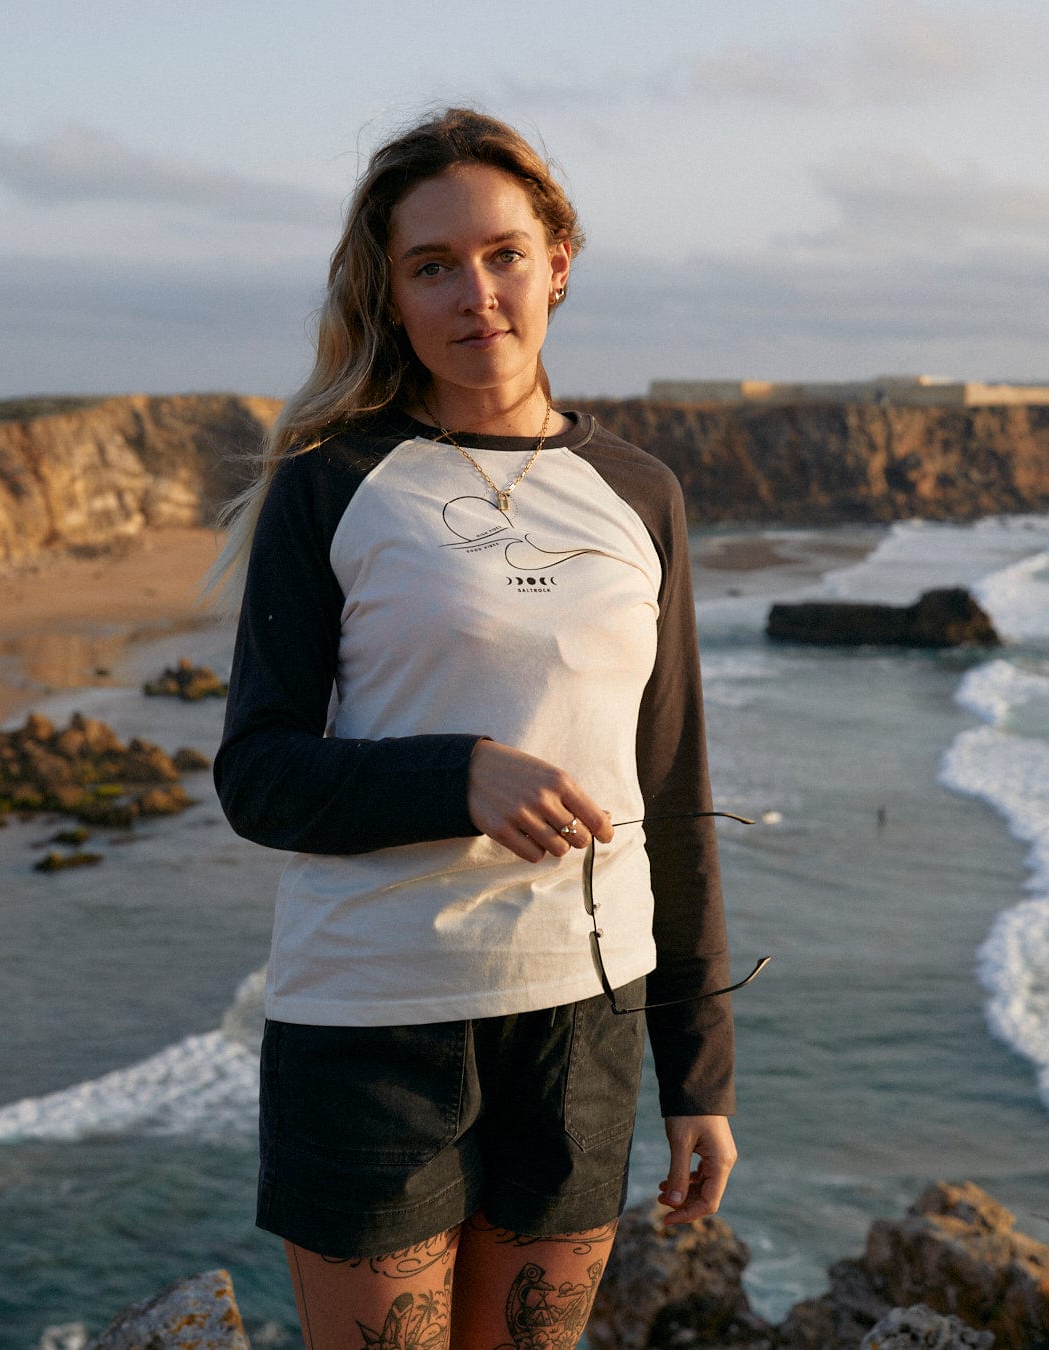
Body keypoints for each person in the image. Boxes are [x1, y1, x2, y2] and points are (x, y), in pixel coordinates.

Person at [213, 107, 738, 1350]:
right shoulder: (332, 483)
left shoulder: (640, 495)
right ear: (389, 294)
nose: (476, 293)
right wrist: (461, 775)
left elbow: (673, 794)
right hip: (372, 1023)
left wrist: (699, 1078)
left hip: (588, 1022)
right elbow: (260, 775)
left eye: (504, 254)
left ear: (559, 258)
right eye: (432, 265)